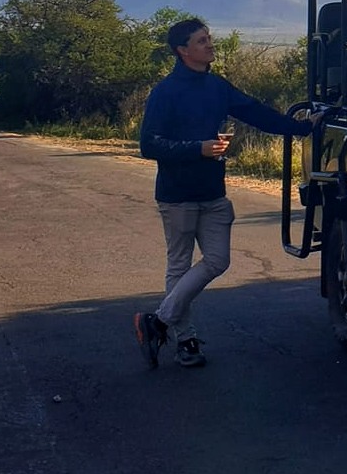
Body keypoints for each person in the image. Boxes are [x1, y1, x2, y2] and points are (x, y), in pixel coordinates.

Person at [133, 19, 320, 369]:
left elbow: (255, 112)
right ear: (183, 50)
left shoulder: (216, 86)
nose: (210, 45)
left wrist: (301, 128)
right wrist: (198, 149)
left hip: (213, 193)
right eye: (201, 41)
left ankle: (157, 322)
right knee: (179, 265)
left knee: (218, 261)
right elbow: (149, 145)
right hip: (177, 195)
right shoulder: (165, 92)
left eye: (209, 39)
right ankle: (186, 340)